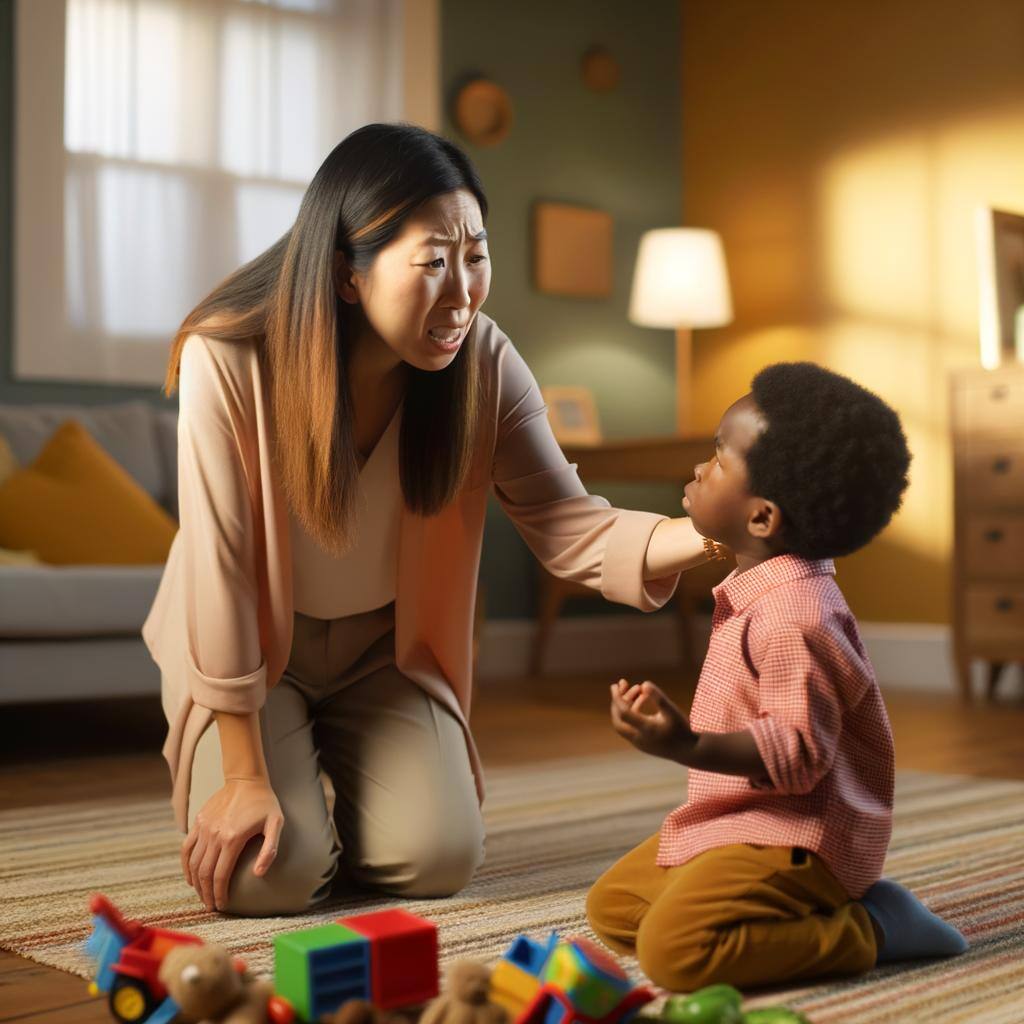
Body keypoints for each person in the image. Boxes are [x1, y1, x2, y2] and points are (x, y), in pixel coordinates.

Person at [141, 122, 719, 917]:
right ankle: (293, 802)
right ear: (349, 273)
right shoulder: (231, 357)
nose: (462, 293)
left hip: (386, 650)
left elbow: (568, 523)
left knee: (436, 859)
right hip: (252, 655)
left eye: (476, 257)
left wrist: (713, 531)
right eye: (434, 263)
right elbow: (224, 569)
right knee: (267, 875)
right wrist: (244, 778)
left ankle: (334, 813)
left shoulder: (483, 361)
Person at [586, 362, 969, 991]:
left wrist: (686, 745)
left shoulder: (795, 615)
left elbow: (797, 753)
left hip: (801, 837)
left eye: (718, 458)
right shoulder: (759, 586)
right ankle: (778, 906)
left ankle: (871, 927)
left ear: (762, 519)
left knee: (675, 955)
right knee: (614, 909)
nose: (700, 468)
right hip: (736, 819)